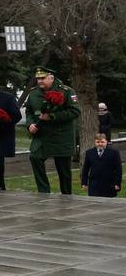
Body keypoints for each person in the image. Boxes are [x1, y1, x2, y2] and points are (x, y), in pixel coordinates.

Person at [26, 66, 80, 195]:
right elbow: (29, 111)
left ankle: (66, 195)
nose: (39, 81)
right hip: (42, 135)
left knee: (64, 170)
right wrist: (30, 124)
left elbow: (75, 111)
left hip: (61, 136)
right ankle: (43, 191)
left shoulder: (66, 91)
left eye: (43, 78)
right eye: (38, 78)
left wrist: (52, 116)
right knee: (35, 157)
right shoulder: (33, 92)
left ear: (51, 77)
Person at [82, 133, 122, 198]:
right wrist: (84, 182)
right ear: (95, 142)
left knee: (108, 205)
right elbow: (85, 169)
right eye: (98, 142)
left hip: (109, 184)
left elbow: (118, 170)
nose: (100, 144)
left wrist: (117, 183)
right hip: (94, 185)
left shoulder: (114, 153)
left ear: (106, 142)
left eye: (102, 142)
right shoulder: (89, 153)